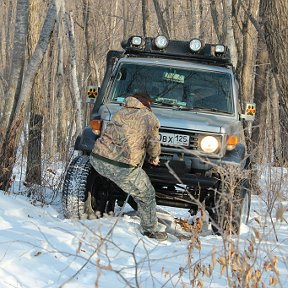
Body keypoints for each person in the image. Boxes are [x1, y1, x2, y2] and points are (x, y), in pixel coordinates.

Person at [89, 92, 168, 241]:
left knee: (126, 182)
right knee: (147, 193)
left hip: (97, 159)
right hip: (121, 166)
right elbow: (153, 145)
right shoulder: (149, 118)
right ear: (147, 104)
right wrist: (153, 157)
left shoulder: (120, 112)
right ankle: (150, 231)